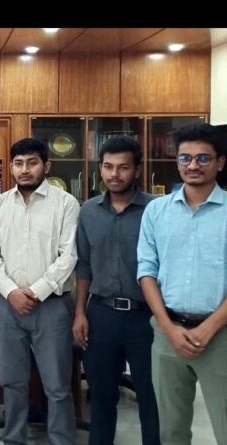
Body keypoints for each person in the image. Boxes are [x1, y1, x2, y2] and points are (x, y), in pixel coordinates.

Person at [0, 138, 80, 445]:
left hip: (52, 307)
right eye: (19, 163)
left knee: (58, 386)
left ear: (46, 166)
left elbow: (69, 256)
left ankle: (61, 441)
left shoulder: (65, 203)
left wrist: (36, 292)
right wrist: (11, 292)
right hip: (7, 306)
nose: (25, 170)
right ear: (11, 167)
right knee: (12, 382)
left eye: (32, 163)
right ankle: (14, 439)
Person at [137, 123, 227, 444]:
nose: (192, 165)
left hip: (220, 336)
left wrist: (208, 328)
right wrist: (168, 327)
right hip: (167, 334)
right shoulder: (156, 211)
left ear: (220, 162)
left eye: (203, 158)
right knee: (170, 431)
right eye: (185, 158)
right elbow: (146, 271)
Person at [72, 136, 159, 445]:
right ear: (100, 168)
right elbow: (84, 266)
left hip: (146, 316)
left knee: (152, 396)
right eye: (108, 166)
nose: (115, 174)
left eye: (123, 167)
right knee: (101, 397)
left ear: (137, 170)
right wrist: (80, 313)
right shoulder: (88, 211)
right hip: (102, 314)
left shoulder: (156, 209)